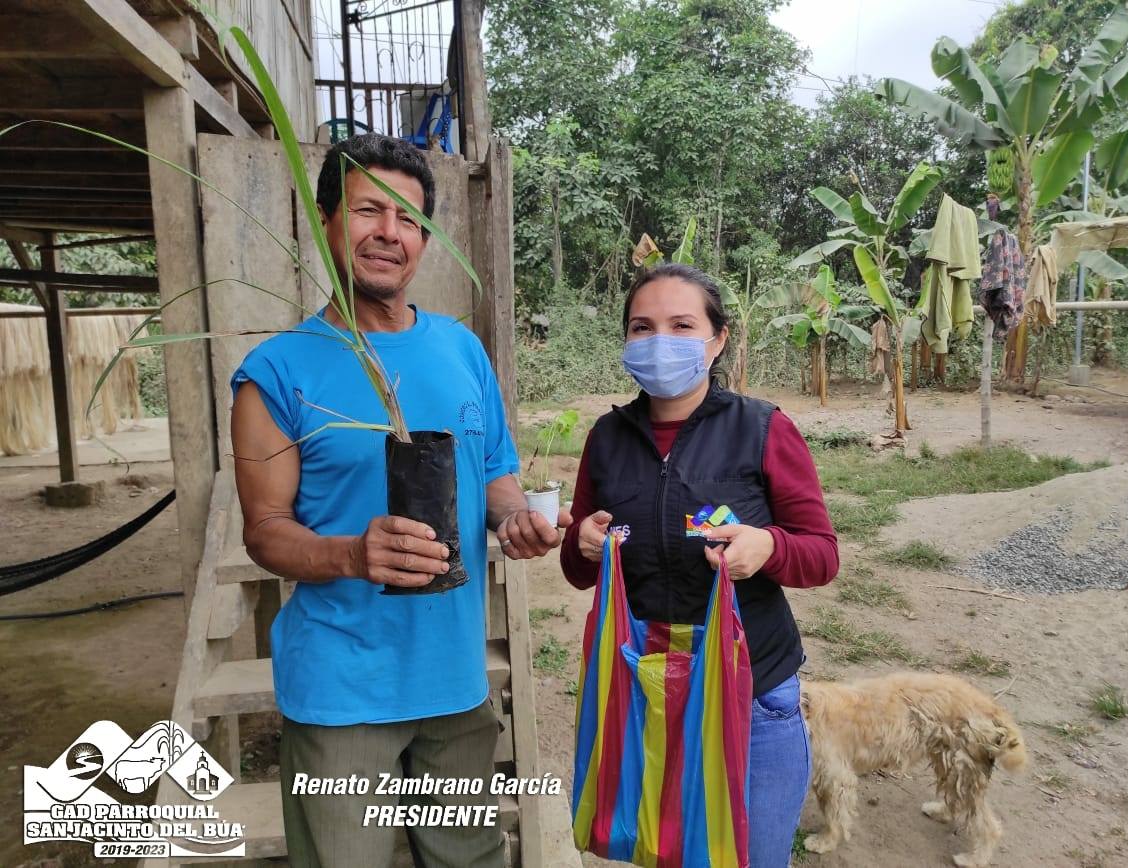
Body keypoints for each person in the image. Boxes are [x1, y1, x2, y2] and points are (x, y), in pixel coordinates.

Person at [230, 133, 570, 868]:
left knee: (470, 859)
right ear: (326, 220)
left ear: (424, 240)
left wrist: (516, 519)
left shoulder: (461, 349)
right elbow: (265, 531)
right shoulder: (276, 372)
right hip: (342, 689)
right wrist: (353, 554)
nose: (389, 232)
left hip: (456, 680)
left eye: (409, 219)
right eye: (368, 211)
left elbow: (495, 472)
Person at [560, 262, 839, 868]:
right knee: (659, 851)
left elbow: (821, 554)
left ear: (717, 340)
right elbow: (579, 571)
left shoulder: (763, 429)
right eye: (642, 327)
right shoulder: (606, 438)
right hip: (642, 689)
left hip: (753, 692)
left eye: (682, 325)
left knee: (751, 857)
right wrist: (581, 541)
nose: (659, 340)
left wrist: (770, 547)